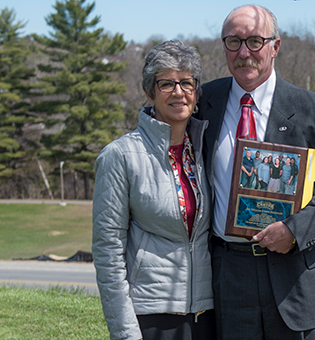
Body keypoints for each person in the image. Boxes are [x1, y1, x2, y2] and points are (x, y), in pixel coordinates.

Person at [197, 5, 315, 340]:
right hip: (229, 274)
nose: (244, 53)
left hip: (294, 276)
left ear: (275, 46)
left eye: (255, 41)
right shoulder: (202, 103)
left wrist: (295, 230)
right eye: (233, 42)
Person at [92, 40, 215, 340]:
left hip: (206, 315)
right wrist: (125, 332)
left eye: (186, 82)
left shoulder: (204, 151)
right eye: (166, 83)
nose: (178, 92)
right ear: (149, 91)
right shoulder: (119, 156)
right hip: (151, 317)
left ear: (196, 92)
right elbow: (108, 252)